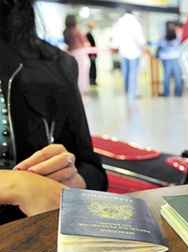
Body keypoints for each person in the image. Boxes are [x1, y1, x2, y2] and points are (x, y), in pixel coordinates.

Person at [0, 0, 108, 223]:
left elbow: (93, 170)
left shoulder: (56, 65)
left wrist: (74, 180)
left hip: (32, 245)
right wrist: (14, 184)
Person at [111, 11, 146, 101]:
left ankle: (127, 91)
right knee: (133, 73)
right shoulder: (135, 22)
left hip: (123, 51)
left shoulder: (119, 22)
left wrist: (115, 46)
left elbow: (115, 37)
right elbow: (140, 38)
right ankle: (132, 93)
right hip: (135, 52)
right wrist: (143, 46)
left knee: (125, 73)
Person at [63, 14, 90, 94]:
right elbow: (84, 42)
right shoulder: (77, 30)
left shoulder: (65, 32)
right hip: (80, 54)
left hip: (71, 54)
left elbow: (66, 43)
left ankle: (74, 90)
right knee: (81, 74)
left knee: (73, 74)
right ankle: (81, 92)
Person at [157, 22, 183, 97]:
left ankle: (174, 93)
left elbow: (160, 46)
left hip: (171, 58)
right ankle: (171, 93)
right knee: (170, 76)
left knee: (173, 76)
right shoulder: (165, 37)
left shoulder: (176, 36)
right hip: (170, 58)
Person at [86, 21, 98, 86]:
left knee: (93, 67)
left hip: (93, 54)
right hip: (91, 54)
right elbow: (90, 45)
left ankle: (93, 80)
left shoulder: (91, 34)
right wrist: (92, 54)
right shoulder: (88, 34)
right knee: (92, 67)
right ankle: (92, 80)